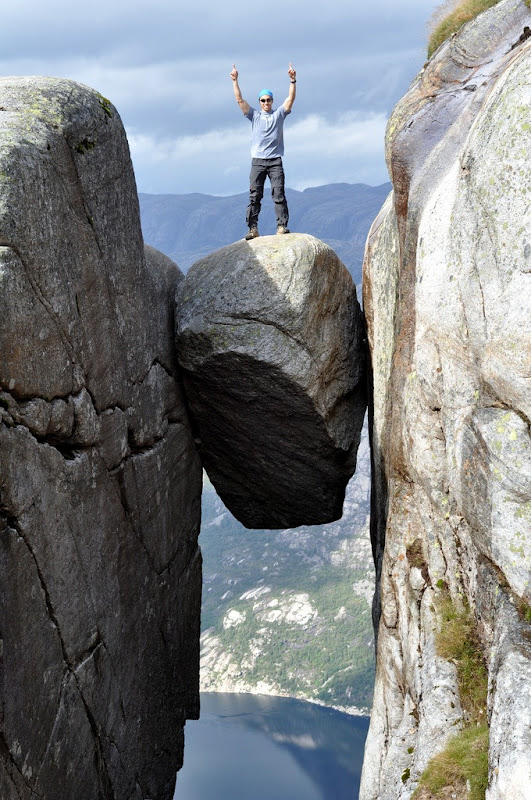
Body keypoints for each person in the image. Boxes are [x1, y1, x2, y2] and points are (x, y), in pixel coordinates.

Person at [230, 63, 296, 240]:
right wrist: (235, 81)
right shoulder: (255, 116)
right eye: (263, 100)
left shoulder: (278, 115)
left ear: (272, 101)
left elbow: (290, 99)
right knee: (255, 196)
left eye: (268, 100)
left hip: (275, 161)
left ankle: (281, 226)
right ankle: (253, 229)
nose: (266, 103)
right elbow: (240, 100)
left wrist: (292, 80)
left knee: (279, 194)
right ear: (259, 102)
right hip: (258, 161)